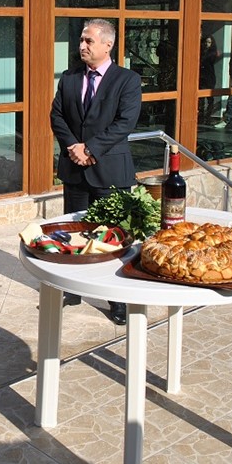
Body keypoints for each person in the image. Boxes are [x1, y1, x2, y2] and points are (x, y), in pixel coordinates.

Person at [50, 19, 142, 325]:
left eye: (88, 41)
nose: (82, 46)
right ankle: (73, 289)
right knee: (76, 232)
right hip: (74, 170)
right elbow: (57, 116)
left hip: (110, 171)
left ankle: (117, 299)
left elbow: (125, 122)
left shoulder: (127, 80)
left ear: (108, 44)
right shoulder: (70, 77)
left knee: (111, 237)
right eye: (81, 40)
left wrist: (89, 149)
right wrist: (73, 148)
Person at [199, 34, 221, 122]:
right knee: (200, 98)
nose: (206, 44)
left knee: (209, 98)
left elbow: (206, 60)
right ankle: (200, 116)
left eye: (209, 42)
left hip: (209, 77)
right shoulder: (201, 51)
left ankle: (208, 116)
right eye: (206, 42)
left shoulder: (212, 53)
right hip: (201, 77)